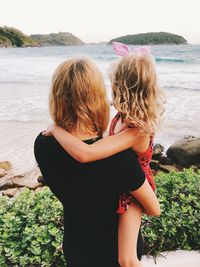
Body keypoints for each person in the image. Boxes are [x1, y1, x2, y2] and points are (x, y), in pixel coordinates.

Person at [42, 43, 164, 267]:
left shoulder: (136, 130)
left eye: (113, 87)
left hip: (127, 198)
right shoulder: (121, 132)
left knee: (127, 260)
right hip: (128, 187)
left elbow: (86, 153)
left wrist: (56, 129)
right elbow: (101, 146)